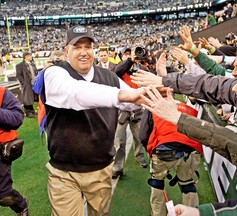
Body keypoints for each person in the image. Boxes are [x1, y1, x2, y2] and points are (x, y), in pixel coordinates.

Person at [140, 63, 237, 215]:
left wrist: (178, 119)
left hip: (164, 152)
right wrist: (166, 80)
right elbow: (214, 85)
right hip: (189, 153)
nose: (234, 88)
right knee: (187, 183)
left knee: (157, 183)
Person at [42, 25, 160, 216]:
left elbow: (134, 102)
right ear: (66, 51)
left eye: (87, 47)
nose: (83, 52)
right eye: (76, 47)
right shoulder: (55, 73)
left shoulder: (109, 77)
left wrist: (152, 91)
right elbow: (76, 93)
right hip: (64, 172)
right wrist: (123, 95)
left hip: (100, 167)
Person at [111, 45, 148, 179]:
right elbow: (116, 71)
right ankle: (117, 167)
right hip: (122, 111)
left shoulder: (141, 69)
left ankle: (140, 158)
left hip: (138, 110)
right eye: (126, 54)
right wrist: (129, 61)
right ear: (122, 56)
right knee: (119, 141)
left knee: (140, 137)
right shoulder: (118, 70)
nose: (130, 56)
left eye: (131, 54)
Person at [0, 87, 27, 215]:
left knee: (4, 196)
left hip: (1, 150)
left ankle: (21, 206)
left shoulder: (2, 93)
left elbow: (17, 117)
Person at [16, 51, 38, 118]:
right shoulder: (20, 65)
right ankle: (28, 112)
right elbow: (19, 75)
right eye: (30, 55)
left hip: (33, 83)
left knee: (31, 97)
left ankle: (32, 110)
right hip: (27, 84)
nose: (31, 57)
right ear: (26, 56)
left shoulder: (32, 64)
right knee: (27, 98)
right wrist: (23, 83)